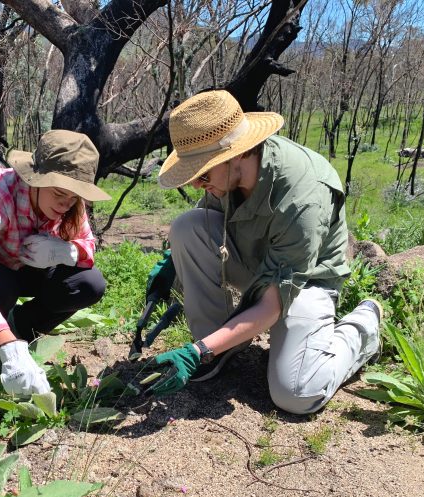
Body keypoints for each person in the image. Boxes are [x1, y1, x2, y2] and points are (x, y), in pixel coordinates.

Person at [145, 90, 382, 415]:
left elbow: (272, 304)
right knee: (186, 227)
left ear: (236, 154)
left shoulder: (303, 196)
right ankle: (218, 348)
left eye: (203, 174)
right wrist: (173, 263)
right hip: (256, 263)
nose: (198, 185)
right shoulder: (226, 176)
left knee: (296, 393)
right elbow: (208, 224)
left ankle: (364, 327)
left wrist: (194, 351)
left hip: (305, 282)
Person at [0, 130, 110, 397]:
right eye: (60, 192)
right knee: (2, 287)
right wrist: (8, 348)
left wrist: (64, 252)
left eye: (73, 196)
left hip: (23, 269)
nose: (66, 203)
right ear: (35, 178)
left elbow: (88, 247)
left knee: (89, 284)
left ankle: (20, 329)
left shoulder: (70, 202)